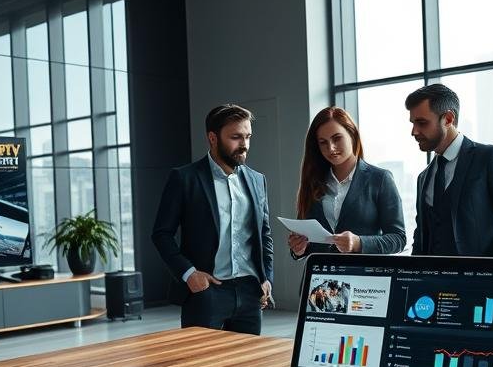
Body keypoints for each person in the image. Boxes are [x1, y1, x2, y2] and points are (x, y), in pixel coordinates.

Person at [152, 104, 274, 334]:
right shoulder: (184, 178)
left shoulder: (258, 180)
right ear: (213, 138)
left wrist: (266, 278)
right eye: (236, 137)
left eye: (248, 136)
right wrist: (189, 274)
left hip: (250, 292)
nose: (245, 144)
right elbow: (161, 234)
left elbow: (264, 233)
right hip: (207, 292)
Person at [405, 83, 493, 257]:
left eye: (422, 123)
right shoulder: (424, 177)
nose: (414, 132)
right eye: (413, 123)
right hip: (432, 282)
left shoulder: (490, 158)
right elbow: (422, 236)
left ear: (448, 119)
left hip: (481, 282)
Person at [288, 106, 405, 260]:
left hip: (364, 278)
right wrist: (298, 249)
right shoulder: (313, 182)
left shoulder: (380, 179)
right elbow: (306, 245)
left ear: (352, 135)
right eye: (323, 142)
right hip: (319, 279)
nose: (331, 148)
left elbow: (398, 239)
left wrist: (358, 243)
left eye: (337, 138)